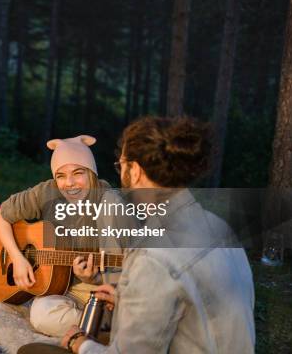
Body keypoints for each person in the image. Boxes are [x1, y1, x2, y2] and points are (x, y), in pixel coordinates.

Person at [51, 117, 255, 354]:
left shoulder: (152, 253)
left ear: (135, 171)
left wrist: (79, 342)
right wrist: (127, 298)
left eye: (121, 165)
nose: (120, 173)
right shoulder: (219, 226)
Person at [0, 136, 132, 338]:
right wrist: (18, 258)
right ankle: (104, 326)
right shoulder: (47, 191)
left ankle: (104, 323)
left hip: (108, 291)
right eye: (61, 176)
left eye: (78, 173)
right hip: (65, 289)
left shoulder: (110, 202)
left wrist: (94, 278)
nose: (69, 183)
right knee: (41, 315)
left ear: (91, 173)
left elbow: (130, 266)